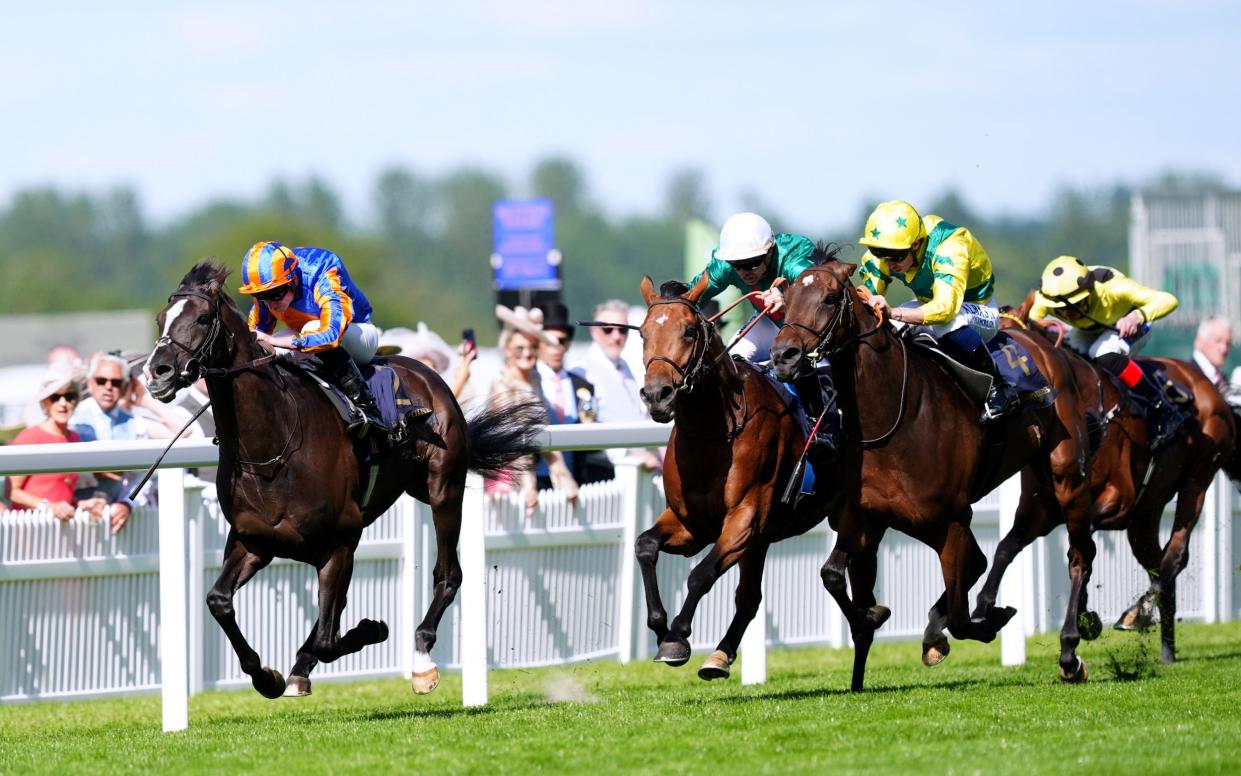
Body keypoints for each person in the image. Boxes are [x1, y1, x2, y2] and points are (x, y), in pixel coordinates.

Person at [237, 240, 430, 438]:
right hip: (304, 335)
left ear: (293, 279)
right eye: (261, 296)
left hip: (358, 333)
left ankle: (367, 407)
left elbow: (330, 335)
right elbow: (254, 337)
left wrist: (281, 342)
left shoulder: (322, 268)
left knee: (310, 328)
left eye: (275, 294)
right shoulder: (271, 291)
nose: (270, 304)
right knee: (264, 348)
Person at [685, 212, 837, 454]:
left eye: (753, 263)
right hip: (770, 321)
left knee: (815, 361)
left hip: (813, 330)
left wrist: (785, 295)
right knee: (733, 358)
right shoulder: (724, 265)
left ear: (769, 253)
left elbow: (817, 288)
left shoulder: (791, 257)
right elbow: (691, 297)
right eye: (738, 266)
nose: (745, 272)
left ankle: (826, 428)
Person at [858, 199, 1019, 421]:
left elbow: (945, 309)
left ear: (915, 244)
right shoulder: (889, 252)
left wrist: (894, 312)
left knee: (947, 322)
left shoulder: (950, 246)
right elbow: (868, 303)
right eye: (879, 253)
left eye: (895, 256)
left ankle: (1000, 387)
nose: (888, 262)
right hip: (929, 304)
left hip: (978, 310)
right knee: (886, 327)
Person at [1030, 255, 1181, 447]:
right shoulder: (1046, 297)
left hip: (1128, 324)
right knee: (1065, 356)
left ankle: (1161, 406)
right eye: (1060, 310)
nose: (1068, 314)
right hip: (1090, 329)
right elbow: (1032, 326)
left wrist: (1137, 316)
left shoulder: (1113, 287)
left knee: (1103, 353)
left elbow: (1169, 299)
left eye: (1075, 305)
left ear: (1090, 292)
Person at [488, 306, 579, 514]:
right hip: (507, 480)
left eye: (532, 347)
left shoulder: (535, 380)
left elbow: (541, 431)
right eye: (519, 348)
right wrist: (529, 485)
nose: (527, 353)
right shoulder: (502, 384)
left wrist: (563, 476)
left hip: (531, 476)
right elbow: (513, 442)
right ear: (507, 350)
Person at [571, 300, 663, 473]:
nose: (616, 336)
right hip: (604, 470)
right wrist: (629, 452)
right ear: (593, 330)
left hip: (639, 468)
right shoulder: (581, 372)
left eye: (623, 330)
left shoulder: (625, 366)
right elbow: (588, 428)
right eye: (608, 329)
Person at [8, 363, 105, 524]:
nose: (63, 403)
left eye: (69, 397)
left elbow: (60, 492)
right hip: (29, 527)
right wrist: (49, 506)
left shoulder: (74, 438)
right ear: (45, 403)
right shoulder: (30, 437)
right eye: (55, 397)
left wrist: (81, 504)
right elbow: (11, 492)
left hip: (59, 530)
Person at [69, 352, 157, 530]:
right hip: (74, 516)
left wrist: (127, 503)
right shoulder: (71, 420)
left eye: (116, 383)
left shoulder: (134, 423)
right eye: (101, 380)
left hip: (118, 519)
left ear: (125, 387)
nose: (108, 387)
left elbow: (141, 477)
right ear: (89, 383)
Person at [536, 301, 608, 486]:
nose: (556, 348)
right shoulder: (530, 383)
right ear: (538, 343)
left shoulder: (582, 386)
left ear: (568, 344)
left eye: (562, 341)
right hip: (538, 481)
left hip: (575, 481)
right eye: (548, 341)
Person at [1191, 316, 1232, 394]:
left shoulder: (1222, 380)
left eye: (1228, 343)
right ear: (1200, 341)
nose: (1224, 348)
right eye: (1218, 341)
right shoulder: (1186, 377)